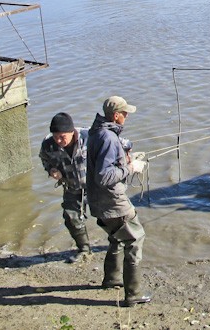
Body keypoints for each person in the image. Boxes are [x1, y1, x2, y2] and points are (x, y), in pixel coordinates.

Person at [86, 96, 151, 307]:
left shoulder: (96, 131)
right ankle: (133, 295)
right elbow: (104, 176)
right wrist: (130, 169)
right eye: (125, 113)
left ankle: (111, 279)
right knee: (135, 239)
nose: (127, 116)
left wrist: (125, 158)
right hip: (112, 202)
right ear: (116, 115)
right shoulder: (108, 138)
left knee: (116, 237)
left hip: (97, 202)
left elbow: (104, 164)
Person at [39, 112, 92, 264]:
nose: (59, 140)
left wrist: (127, 154)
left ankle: (119, 245)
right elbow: (44, 158)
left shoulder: (89, 136)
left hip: (96, 186)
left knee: (109, 217)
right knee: (71, 218)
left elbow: (120, 143)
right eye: (56, 137)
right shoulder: (48, 144)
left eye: (63, 137)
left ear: (72, 132)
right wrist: (51, 170)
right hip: (72, 187)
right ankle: (84, 250)